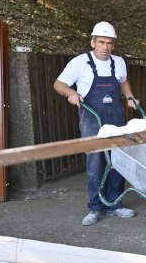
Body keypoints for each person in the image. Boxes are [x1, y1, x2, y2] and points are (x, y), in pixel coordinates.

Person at [53, 21, 138, 226]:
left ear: (114, 45)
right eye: (101, 42)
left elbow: (123, 80)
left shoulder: (118, 62)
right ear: (93, 42)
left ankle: (115, 204)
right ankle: (96, 207)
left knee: (117, 159)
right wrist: (71, 93)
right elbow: (59, 84)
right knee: (95, 162)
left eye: (110, 43)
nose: (106, 47)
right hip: (92, 118)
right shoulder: (80, 62)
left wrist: (129, 97)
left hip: (115, 117)